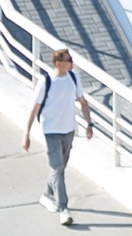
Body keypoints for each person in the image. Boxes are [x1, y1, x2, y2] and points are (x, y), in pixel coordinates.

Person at [24, 48, 90, 225]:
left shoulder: (73, 78)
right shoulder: (46, 82)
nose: (72, 63)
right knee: (58, 168)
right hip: (51, 131)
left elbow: (83, 101)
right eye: (68, 60)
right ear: (58, 63)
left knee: (59, 168)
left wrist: (89, 124)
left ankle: (46, 195)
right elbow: (34, 108)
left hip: (68, 130)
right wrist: (26, 134)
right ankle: (64, 209)